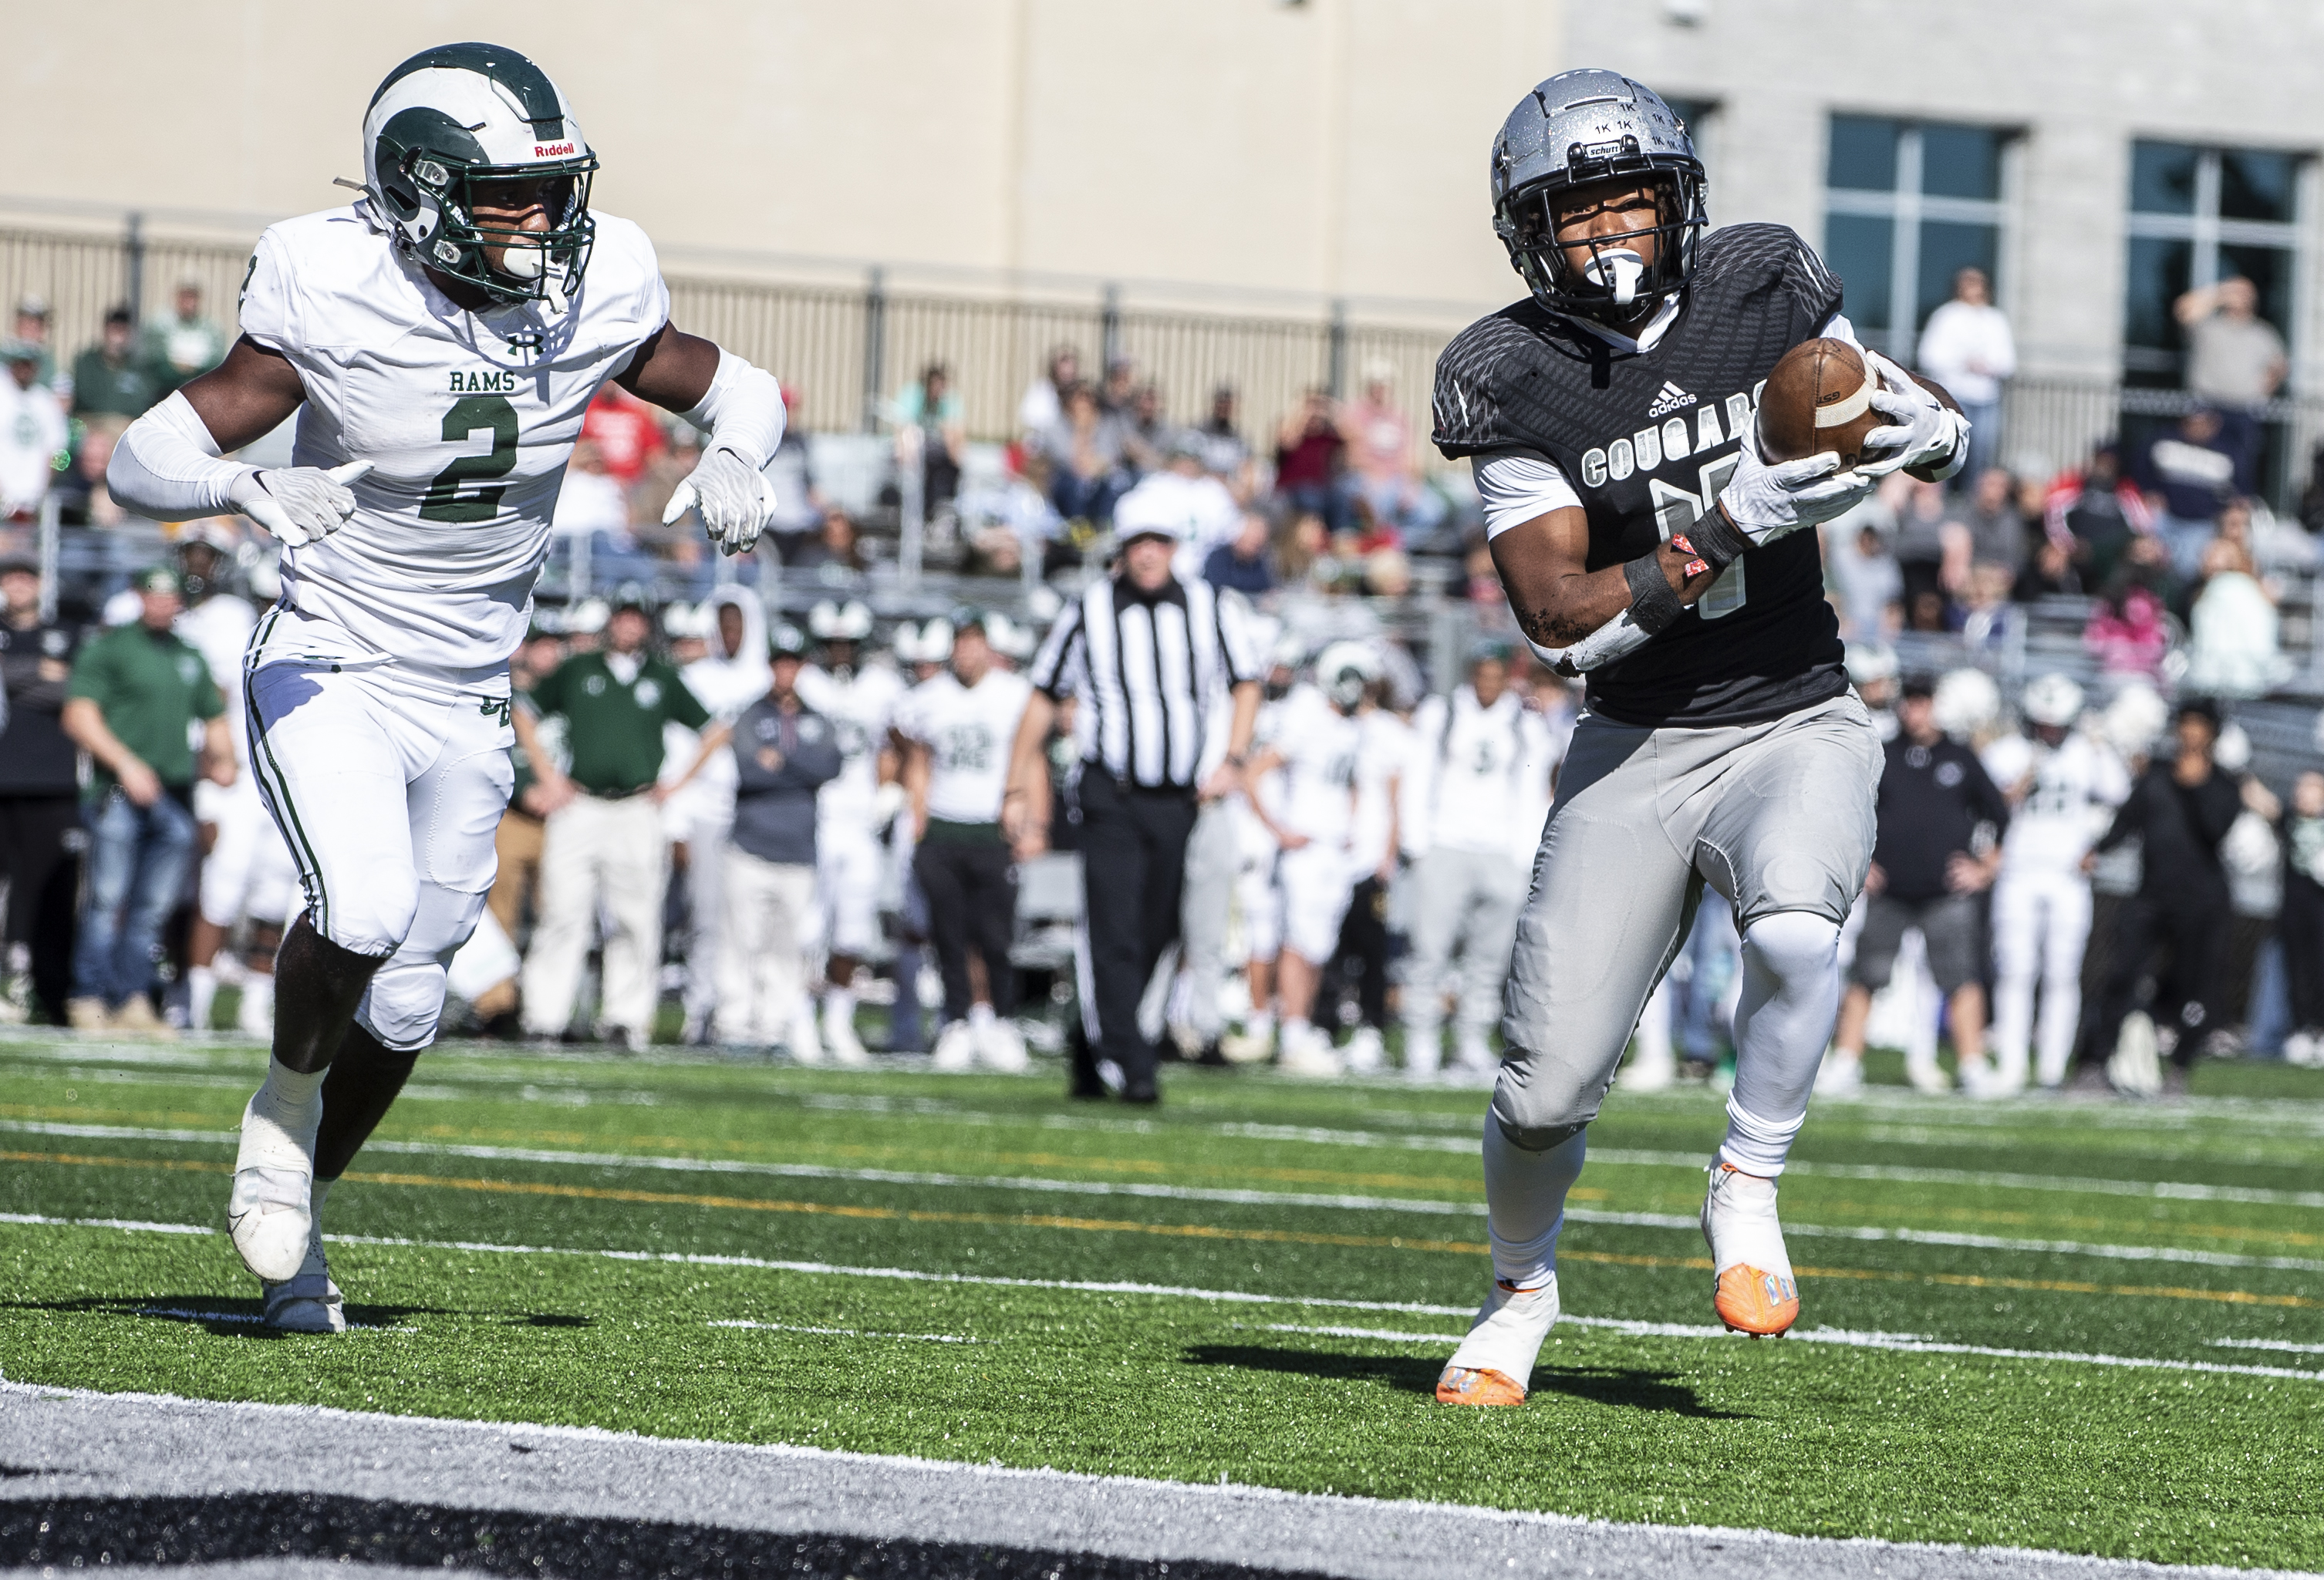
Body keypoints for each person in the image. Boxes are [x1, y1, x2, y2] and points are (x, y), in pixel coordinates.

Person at [104, 43, 787, 1333]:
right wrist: (236, 482)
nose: (540, 221)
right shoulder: (334, 282)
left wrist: (742, 454)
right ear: (417, 191)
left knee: (415, 995)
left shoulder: (596, 284)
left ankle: (298, 1236)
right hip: (337, 656)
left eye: (549, 189)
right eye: (504, 195)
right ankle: (281, 1107)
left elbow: (737, 386)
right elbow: (144, 453)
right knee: (358, 909)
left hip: (472, 686)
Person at [1425, 69, 1968, 1407]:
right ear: (1526, 231)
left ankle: (1748, 1171)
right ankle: (1517, 1290)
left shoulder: (1761, 282)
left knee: (1794, 928)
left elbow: (1875, 401)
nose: (1605, 231)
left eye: (1626, 198)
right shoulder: (1509, 374)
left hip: (1793, 708)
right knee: (1544, 1089)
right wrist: (1726, 522)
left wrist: (1934, 429)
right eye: (1574, 210)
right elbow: (1557, 620)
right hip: (1636, 739)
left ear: (1678, 201)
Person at [516, 597, 726, 1049]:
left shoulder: (661, 677)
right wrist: (548, 776)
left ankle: (625, 1018)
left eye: (636, 618)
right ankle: (543, 1015)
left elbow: (713, 729)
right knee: (562, 912)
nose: (628, 626)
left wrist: (676, 784)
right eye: (622, 616)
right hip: (581, 804)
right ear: (611, 622)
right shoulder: (579, 668)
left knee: (635, 917)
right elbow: (525, 712)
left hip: (636, 807)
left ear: (646, 626)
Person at [60, 565, 235, 1036]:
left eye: (170, 596)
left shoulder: (188, 654)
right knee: (107, 899)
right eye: (153, 595)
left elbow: (213, 715)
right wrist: (124, 763)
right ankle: (89, 996)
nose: (162, 604)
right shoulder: (110, 648)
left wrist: (225, 758)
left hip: (175, 794)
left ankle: (133, 998)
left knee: (153, 908)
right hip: (119, 790)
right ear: (138, 597)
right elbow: (79, 715)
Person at [1823, 675, 2010, 1095]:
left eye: (1923, 701)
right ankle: (1846, 1060)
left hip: (1946, 893)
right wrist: (1861, 863)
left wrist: (1985, 868)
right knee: (1866, 976)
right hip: (1890, 890)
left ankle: (1972, 1064)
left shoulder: (1960, 757)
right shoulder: (1884, 753)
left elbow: (2000, 816)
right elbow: (1851, 810)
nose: (1915, 710)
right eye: (1910, 701)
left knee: (1960, 977)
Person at [1398, 641, 1556, 1080]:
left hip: (1500, 852)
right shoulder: (1442, 714)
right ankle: (1421, 1043)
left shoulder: (1526, 724)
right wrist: (1418, 844)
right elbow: (1417, 774)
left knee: (1488, 962)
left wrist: (1524, 855)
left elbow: (1533, 791)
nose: (1488, 685)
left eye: (1496, 676)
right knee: (1429, 952)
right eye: (1482, 675)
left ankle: (1471, 1043)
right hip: (1445, 845)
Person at [2080, 699, 2249, 1093]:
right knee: (2121, 975)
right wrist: (2098, 849)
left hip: (2202, 901)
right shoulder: (2155, 777)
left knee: (2195, 986)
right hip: (2152, 895)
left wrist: (2195, 787)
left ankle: (2179, 1068)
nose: (2189, 734)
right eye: (2185, 725)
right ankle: (2093, 1061)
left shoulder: (2224, 786)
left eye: (2198, 726)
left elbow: (2215, 831)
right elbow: (2127, 822)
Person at [175, 519, 301, 1037]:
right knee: (220, 887)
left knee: (276, 891)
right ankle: (194, 1004)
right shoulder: (229, 624)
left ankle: (254, 1003)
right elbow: (214, 698)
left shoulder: (316, 634)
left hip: (287, 776)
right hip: (238, 775)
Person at [896, 610, 1035, 1073]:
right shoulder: (930, 697)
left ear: (990, 647)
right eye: (961, 641)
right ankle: (955, 1020)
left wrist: (1033, 822)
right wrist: (916, 814)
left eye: (977, 641)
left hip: (992, 827)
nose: (968, 651)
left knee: (996, 935)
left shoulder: (1013, 695)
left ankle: (1000, 1020)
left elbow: (1031, 760)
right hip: (944, 824)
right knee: (949, 935)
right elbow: (917, 759)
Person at [1978, 673, 2127, 1094]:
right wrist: (2023, 778)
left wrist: (2100, 747)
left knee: (2062, 973)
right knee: (2015, 970)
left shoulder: (2086, 752)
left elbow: (2119, 791)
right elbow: (1985, 800)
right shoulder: (2009, 752)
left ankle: (2051, 1068)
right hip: (2018, 872)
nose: (2050, 730)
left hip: (2067, 876)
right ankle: (2010, 1064)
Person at [1237, 642, 1375, 1078]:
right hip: (1305, 848)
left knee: (1317, 945)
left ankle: (1298, 1029)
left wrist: (1351, 827)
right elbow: (1254, 772)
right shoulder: (1307, 715)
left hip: (1333, 849)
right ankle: (1292, 1034)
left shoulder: (1353, 726)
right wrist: (1279, 830)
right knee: (1297, 943)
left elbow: (1349, 782)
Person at [717, 625, 844, 1051]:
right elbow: (749, 768)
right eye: (779, 662)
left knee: (787, 945)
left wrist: (783, 761)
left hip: (799, 848)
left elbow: (829, 766)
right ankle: (734, 1023)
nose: (785, 670)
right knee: (741, 939)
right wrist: (796, 770)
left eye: (793, 662)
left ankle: (774, 1025)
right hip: (751, 843)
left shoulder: (817, 718)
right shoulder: (752, 714)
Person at [795, 598, 906, 1063]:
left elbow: (902, 741)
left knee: (852, 930)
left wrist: (892, 787)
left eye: (848, 643)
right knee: (808, 929)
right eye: (832, 643)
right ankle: (799, 1019)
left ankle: (839, 1021)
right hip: (814, 818)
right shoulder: (805, 683)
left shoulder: (883, 687)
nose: (840, 651)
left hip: (861, 823)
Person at [669, 586, 771, 1045]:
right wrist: (678, 822)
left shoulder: (770, 681)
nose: (730, 634)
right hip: (707, 813)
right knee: (706, 918)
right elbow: (678, 754)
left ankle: (749, 1010)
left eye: (738, 624)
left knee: (755, 920)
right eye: (723, 624)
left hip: (758, 812)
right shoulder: (695, 680)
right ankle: (699, 1008)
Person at [0, 554, 86, 1023]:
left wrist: (12, 675)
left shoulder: (66, 631)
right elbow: (52, 682)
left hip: (53, 782)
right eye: (10, 576)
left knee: (52, 891)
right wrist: (43, 673)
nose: (18, 584)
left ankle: (51, 994)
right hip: (3, 779)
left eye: (25, 576)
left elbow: (82, 689)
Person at [2174, 276, 2286, 486]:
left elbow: (2279, 366)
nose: (2240, 297)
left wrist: (2265, 389)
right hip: (2206, 406)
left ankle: (2236, 511)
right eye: (2237, 291)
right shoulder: (2208, 326)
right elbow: (2182, 311)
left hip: (2243, 410)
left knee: (2240, 468)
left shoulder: (2262, 333)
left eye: (2245, 293)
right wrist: (2219, 293)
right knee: (2199, 464)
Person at [1914, 267, 2014, 487]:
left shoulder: (1996, 319)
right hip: (1955, 398)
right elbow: (1929, 356)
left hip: (1987, 400)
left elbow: (2008, 363)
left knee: (1981, 457)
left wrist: (1987, 366)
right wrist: (1964, 363)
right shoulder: (1946, 316)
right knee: (1947, 452)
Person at [2134, 408, 2241, 578]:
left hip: (2201, 524)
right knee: (2150, 560)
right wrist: (2149, 491)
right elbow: (2140, 469)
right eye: (2192, 422)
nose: (2196, 427)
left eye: (2202, 423)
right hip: (2165, 516)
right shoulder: (2164, 440)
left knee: (2188, 570)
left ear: (2213, 424)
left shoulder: (2228, 451)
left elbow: (2239, 491)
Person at [2273, 771, 2324, 1069]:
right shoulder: (2290, 820)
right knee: (2296, 970)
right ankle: (2301, 1030)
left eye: (2309, 788)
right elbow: (2265, 805)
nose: (2300, 794)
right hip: (2295, 908)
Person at [0, 341, 68, 520]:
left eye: (29, 364)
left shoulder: (45, 402)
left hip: (35, 501)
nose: (24, 369)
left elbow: (58, 450)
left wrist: (45, 487)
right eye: (20, 363)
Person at [71, 307, 165, 429]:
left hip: (127, 427)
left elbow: (144, 401)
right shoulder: (86, 362)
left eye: (123, 331)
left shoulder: (139, 368)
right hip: (91, 425)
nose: (118, 338)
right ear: (105, 331)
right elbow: (84, 399)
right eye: (115, 330)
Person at [892, 362, 965, 513]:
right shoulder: (912, 396)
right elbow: (902, 430)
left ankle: (941, 509)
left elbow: (955, 431)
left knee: (950, 470)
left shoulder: (948, 400)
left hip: (936, 452)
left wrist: (956, 456)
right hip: (914, 450)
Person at [143, 277, 229, 392]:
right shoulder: (160, 325)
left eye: (193, 297)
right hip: (164, 390)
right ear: (177, 297)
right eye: (185, 297)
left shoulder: (211, 328)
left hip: (199, 389)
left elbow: (216, 361)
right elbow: (153, 357)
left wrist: (193, 369)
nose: (189, 302)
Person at [1203, 509, 1277, 596]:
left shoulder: (1261, 564)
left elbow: (1266, 590)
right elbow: (1218, 589)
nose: (1258, 540)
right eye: (1253, 534)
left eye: (1262, 535)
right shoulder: (1218, 559)